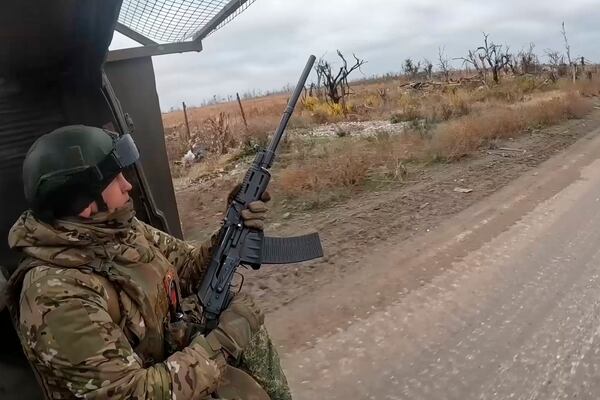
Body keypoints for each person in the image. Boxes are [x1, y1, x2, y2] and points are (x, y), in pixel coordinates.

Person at [4, 125, 291, 399]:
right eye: (114, 179)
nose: (127, 185)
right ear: (84, 204)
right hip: (158, 387)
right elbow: (135, 393)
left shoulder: (119, 229)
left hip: (175, 362)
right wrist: (222, 343)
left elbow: (188, 267)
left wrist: (231, 228)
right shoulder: (54, 296)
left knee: (250, 332)